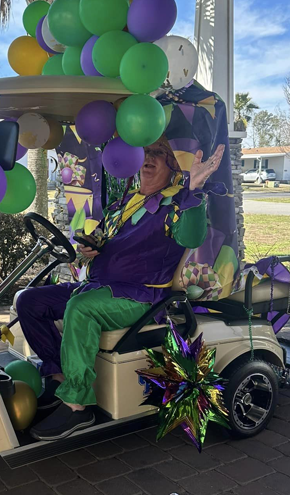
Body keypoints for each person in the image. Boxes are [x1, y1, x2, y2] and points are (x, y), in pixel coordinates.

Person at [17, 137, 226, 441]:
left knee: (81, 308)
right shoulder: (123, 203)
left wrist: (192, 190)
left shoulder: (175, 203)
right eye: (146, 153)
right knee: (28, 301)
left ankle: (77, 406)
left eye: (159, 155)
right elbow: (105, 240)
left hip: (139, 297)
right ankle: (60, 376)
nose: (148, 160)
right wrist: (92, 247)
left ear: (172, 167)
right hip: (98, 287)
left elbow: (191, 237)